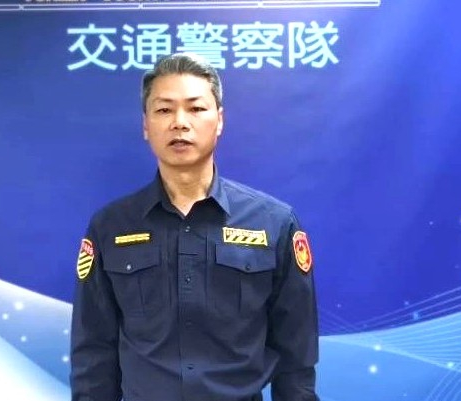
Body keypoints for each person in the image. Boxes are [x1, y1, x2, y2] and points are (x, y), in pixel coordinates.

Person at [70, 52, 319, 401]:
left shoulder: (273, 223)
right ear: (146, 125)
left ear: (220, 120)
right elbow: (94, 351)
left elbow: (296, 355)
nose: (180, 123)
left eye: (196, 108)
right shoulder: (110, 226)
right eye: (164, 110)